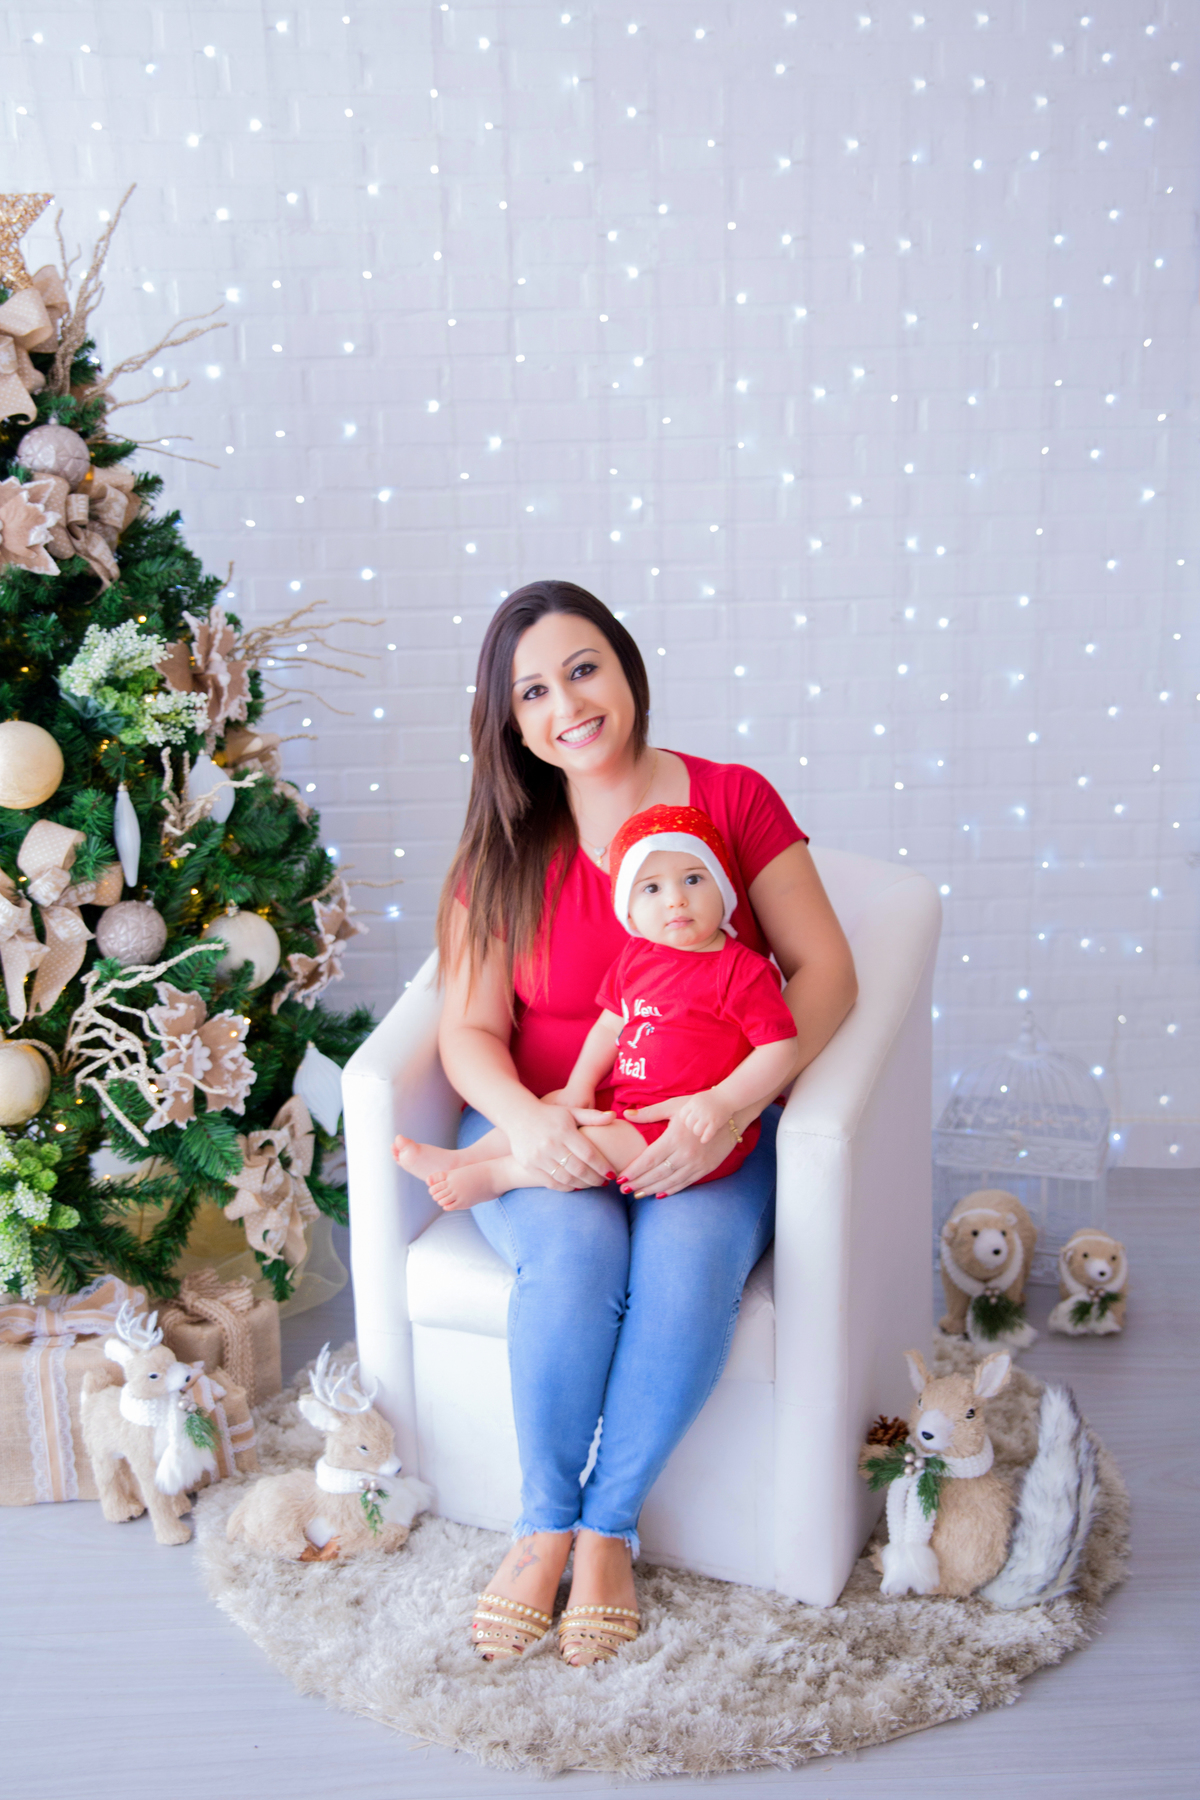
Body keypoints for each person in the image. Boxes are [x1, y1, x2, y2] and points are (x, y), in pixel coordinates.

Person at [417, 580, 857, 1667]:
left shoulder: (732, 799)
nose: (566, 703)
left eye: (582, 668)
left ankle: (606, 1527)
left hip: (708, 1124)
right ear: (509, 722)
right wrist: (529, 1124)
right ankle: (542, 1528)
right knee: (573, 1261)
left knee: (689, 1261)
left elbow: (827, 973)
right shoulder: (503, 848)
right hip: (552, 1126)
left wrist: (725, 1106)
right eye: (532, 691)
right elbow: (467, 1029)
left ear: (624, 669)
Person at [395, 805, 800, 1212]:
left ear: (724, 889)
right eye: (652, 889)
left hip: (686, 1124)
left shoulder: (742, 971)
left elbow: (780, 1048)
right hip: (627, 1102)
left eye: (693, 879)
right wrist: (580, 1085)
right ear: (630, 913)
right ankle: (464, 1158)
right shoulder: (637, 958)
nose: (676, 899)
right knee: (552, 1109)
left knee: (590, 1144)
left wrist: (723, 1102)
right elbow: (610, 1028)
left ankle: (498, 1176)